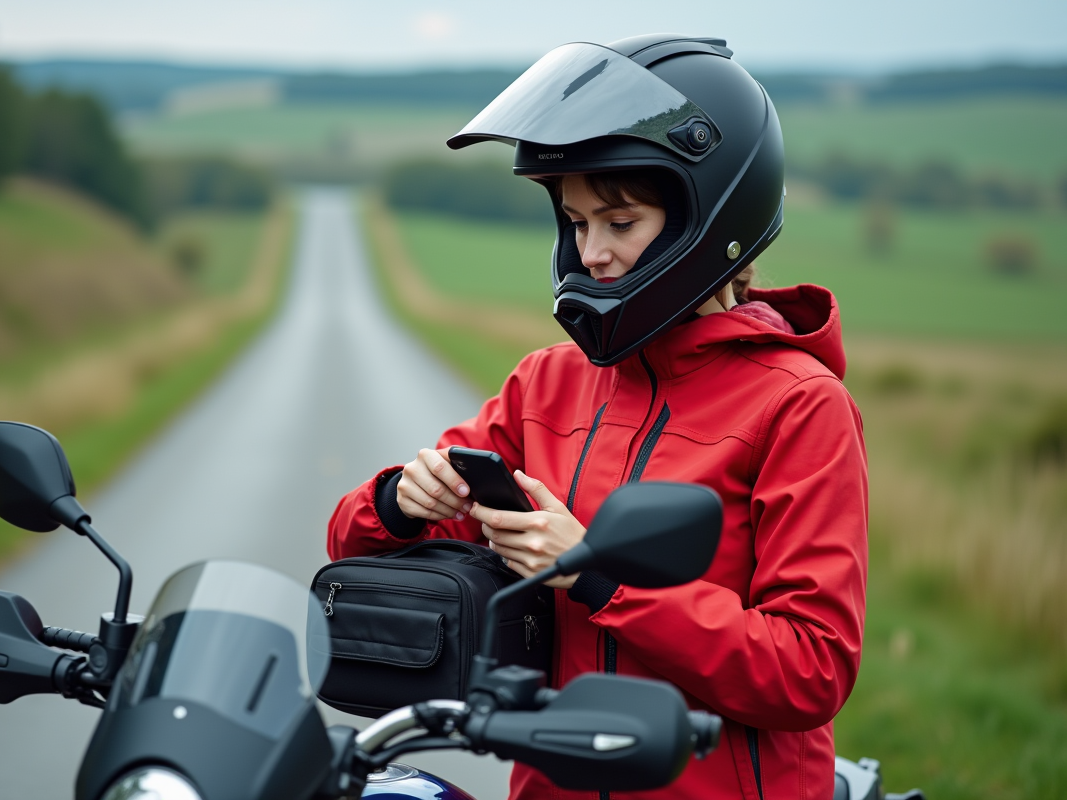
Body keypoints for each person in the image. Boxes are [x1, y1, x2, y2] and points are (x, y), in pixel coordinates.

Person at [329, 34, 867, 800]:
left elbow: (810, 669)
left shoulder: (799, 405)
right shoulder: (546, 385)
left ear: (709, 219)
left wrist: (598, 577)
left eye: (620, 221)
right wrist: (398, 504)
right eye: (577, 224)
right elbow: (356, 546)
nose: (592, 255)